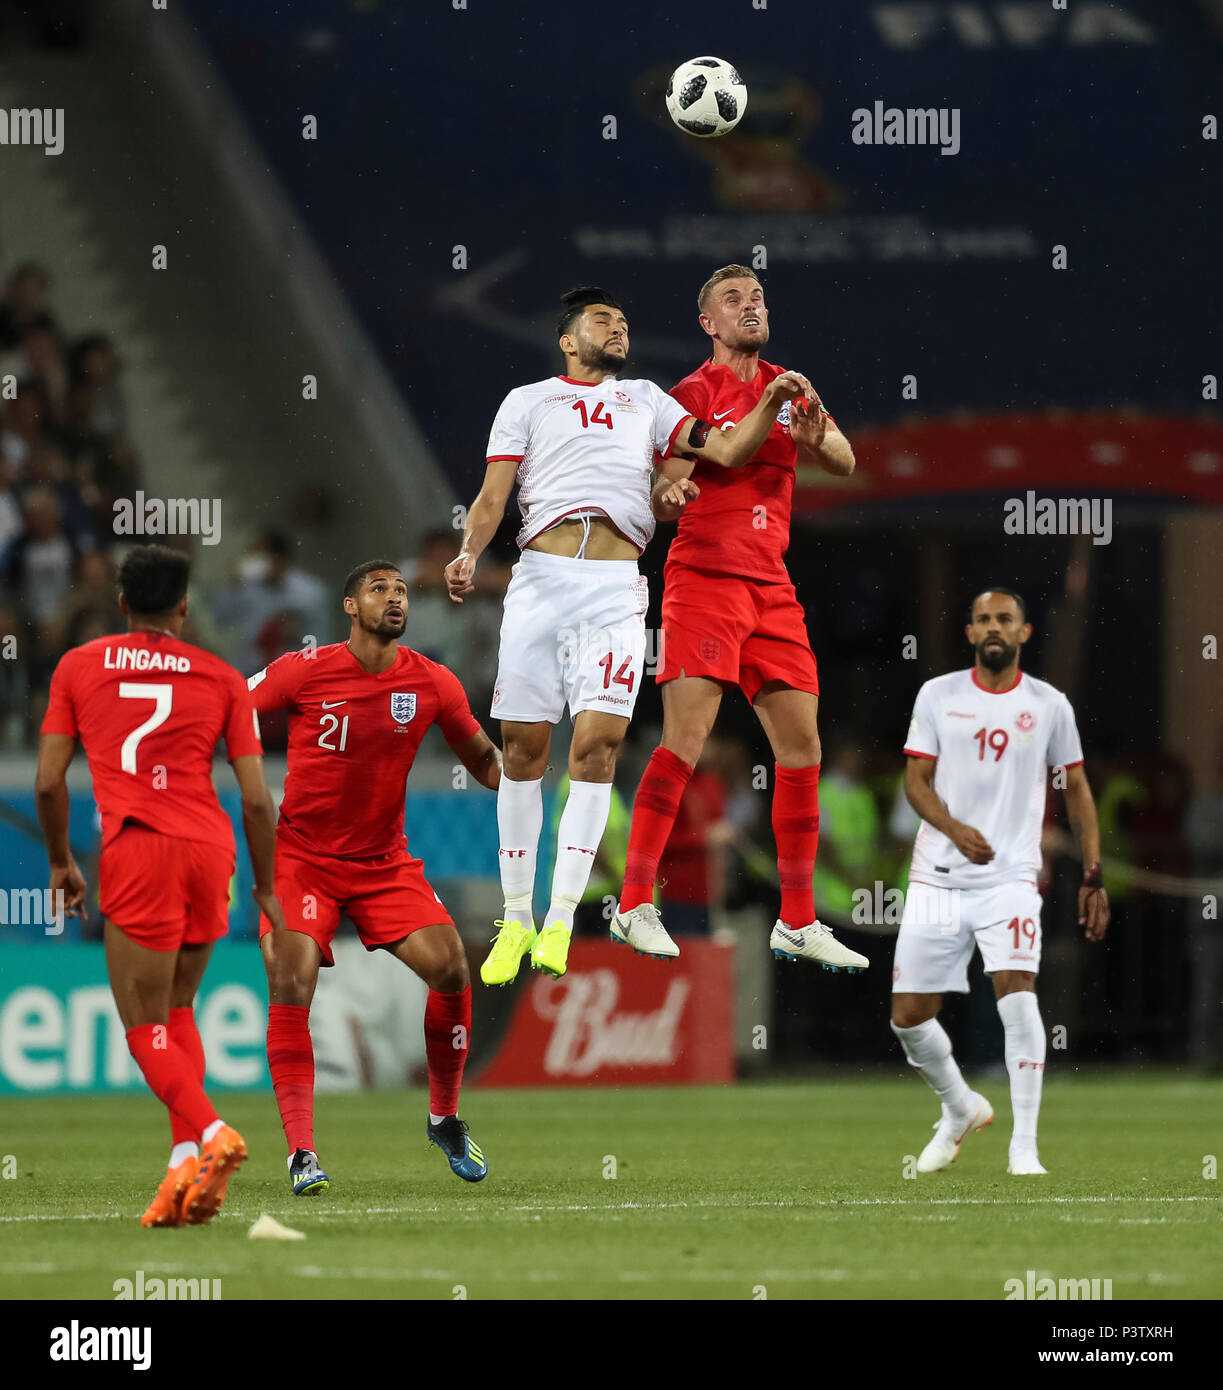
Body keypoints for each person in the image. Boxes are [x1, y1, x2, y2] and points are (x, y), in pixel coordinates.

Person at [446, 285, 810, 984]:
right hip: (540, 578)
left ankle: (558, 920)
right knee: (523, 751)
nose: (617, 329)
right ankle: (515, 917)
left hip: (614, 590)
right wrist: (468, 552)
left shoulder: (648, 400)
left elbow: (729, 450)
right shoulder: (526, 401)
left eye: (622, 321)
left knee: (599, 746)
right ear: (566, 338)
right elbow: (494, 496)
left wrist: (771, 400)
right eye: (601, 320)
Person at [609, 264, 867, 973]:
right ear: (708, 323)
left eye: (756, 298)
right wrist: (669, 490)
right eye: (733, 300)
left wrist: (816, 435)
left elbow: (845, 461)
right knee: (686, 737)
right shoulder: (686, 396)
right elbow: (687, 472)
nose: (749, 307)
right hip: (704, 579)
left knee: (802, 748)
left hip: (770, 584)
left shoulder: (792, 387)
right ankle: (633, 903)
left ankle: (796, 919)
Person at [33, 542, 283, 1226]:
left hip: (139, 846)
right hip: (210, 851)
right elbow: (259, 801)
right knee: (177, 1012)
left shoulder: (79, 667)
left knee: (142, 1024)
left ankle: (212, 1134)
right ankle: (180, 1171)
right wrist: (264, 887)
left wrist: (61, 861)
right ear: (182, 606)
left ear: (121, 605)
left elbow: (50, 780)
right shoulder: (225, 678)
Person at [249, 560, 502, 1194]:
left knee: (449, 966)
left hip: (384, 863)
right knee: (292, 972)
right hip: (302, 860)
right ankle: (302, 1152)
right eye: (378, 588)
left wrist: (527, 764)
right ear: (349, 606)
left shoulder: (433, 683)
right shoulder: (303, 671)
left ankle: (444, 1116)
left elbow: (485, 762)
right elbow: (231, 708)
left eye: (401, 591)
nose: (394, 598)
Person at [891, 588, 1110, 1176]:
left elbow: (1079, 790)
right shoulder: (938, 695)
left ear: (1024, 632)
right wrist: (954, 828)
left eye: (1004, 619)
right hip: (937, 877)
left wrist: (1093, 873)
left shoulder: (1049, 705)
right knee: (909, 1014)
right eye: (983, 618)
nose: (993, 627)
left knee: (1017, 994)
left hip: (1010, 878)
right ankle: (959, 1105)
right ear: (969, 633)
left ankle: (1025, 1149)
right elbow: (916, 783)